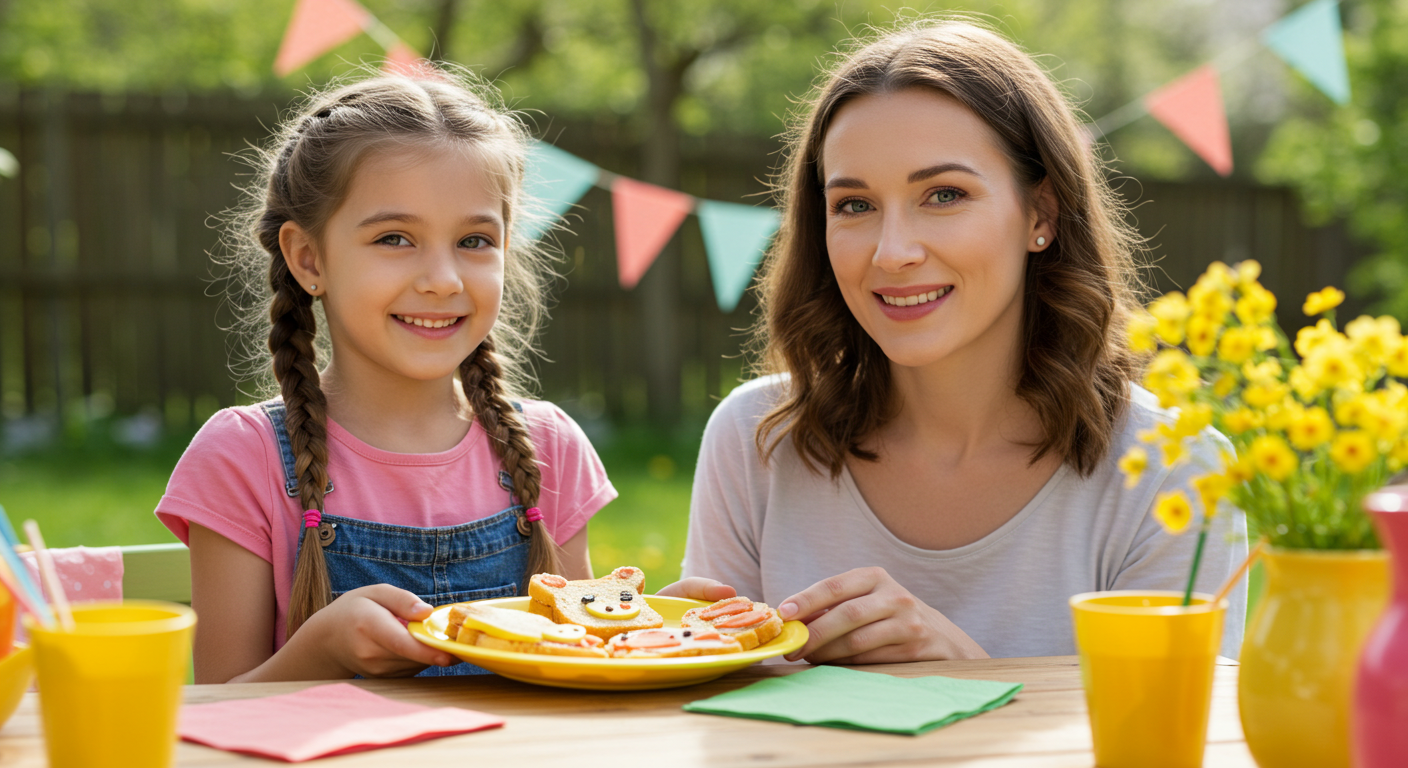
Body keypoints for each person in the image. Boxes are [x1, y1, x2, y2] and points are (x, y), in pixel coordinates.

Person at [682, 21, 1247, 664]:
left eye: (944, 195)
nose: (892, 253)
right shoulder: (754, 440)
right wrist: (673, 674)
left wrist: (967, 674)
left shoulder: (1174, 472)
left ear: (1042, 215)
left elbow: (1168, 747)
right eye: (854, 205)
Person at [156, 69, 727, 683]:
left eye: (475, 240)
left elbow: (577, 667)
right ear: (309, 258)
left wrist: (666, 636)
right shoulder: (244, 458)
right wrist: (318, 652)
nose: (444, 279)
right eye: (396, 238)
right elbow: (217, 715)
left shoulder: (548, 448)